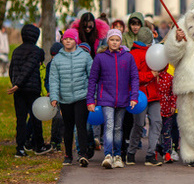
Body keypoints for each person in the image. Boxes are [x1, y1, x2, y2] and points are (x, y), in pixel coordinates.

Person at [87, 29, 139, 169]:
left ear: (120, 42)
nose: (114, 42)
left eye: (117, 40)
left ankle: (118, 156)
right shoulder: (100, 58)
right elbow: (92, 80)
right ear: (108, 41)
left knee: (118, 127)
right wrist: (90, 100)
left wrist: (134, 96)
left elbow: (134, 77)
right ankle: (108, 155)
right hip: (106, 98)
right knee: (109, 125)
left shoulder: (128, 57)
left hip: (122, 98)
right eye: (112, 40)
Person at [49, 29, 93, 166]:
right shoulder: (57, 59)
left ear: (76, 41)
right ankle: (68, 154)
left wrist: (93, 96)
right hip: (65, 98)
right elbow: (54, 79)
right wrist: (54, 97)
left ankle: (83, 154)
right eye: (66, 39)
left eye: (71, 39)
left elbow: (92, 77)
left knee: (81, 126)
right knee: (67, 127)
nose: (68, 41)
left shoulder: (85, 57)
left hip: (82, 96)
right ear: (62, 40)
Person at [8, 24, 51, 157]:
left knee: (20, 119)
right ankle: (39, 145)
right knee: (36, 118)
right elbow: (29, 66)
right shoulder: (37, 51)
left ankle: (20, 148)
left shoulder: (16, 51)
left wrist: (15, 83)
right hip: (32, 89)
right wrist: (19, 84)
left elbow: (11, 69)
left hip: (18, 91)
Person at [126, 27, 164, 166]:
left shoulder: (152, 52)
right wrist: (151, 75)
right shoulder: (134, 55)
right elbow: (133, 77)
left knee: (156, 122)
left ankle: (150, 155)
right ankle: (131, 152)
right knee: (139, 124)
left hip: (153, 94)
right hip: (140, 95)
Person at [44, 42, 64, 152]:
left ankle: (59, 140)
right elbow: (47, 80)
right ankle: (54, 140)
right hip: (54, 95)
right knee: (56, 118)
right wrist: (49, 90)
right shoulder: (50, 65)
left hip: (64, 94)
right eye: (52, 55)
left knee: (62, 118)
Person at [156, 65, 177, 163]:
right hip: (155, 108)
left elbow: (173, 93)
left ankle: (167, 153)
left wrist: (173, 105)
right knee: (155, 131)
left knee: (166, 132)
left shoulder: (169, 77)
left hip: (167, 108)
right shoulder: (153, 77)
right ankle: (154, 152)